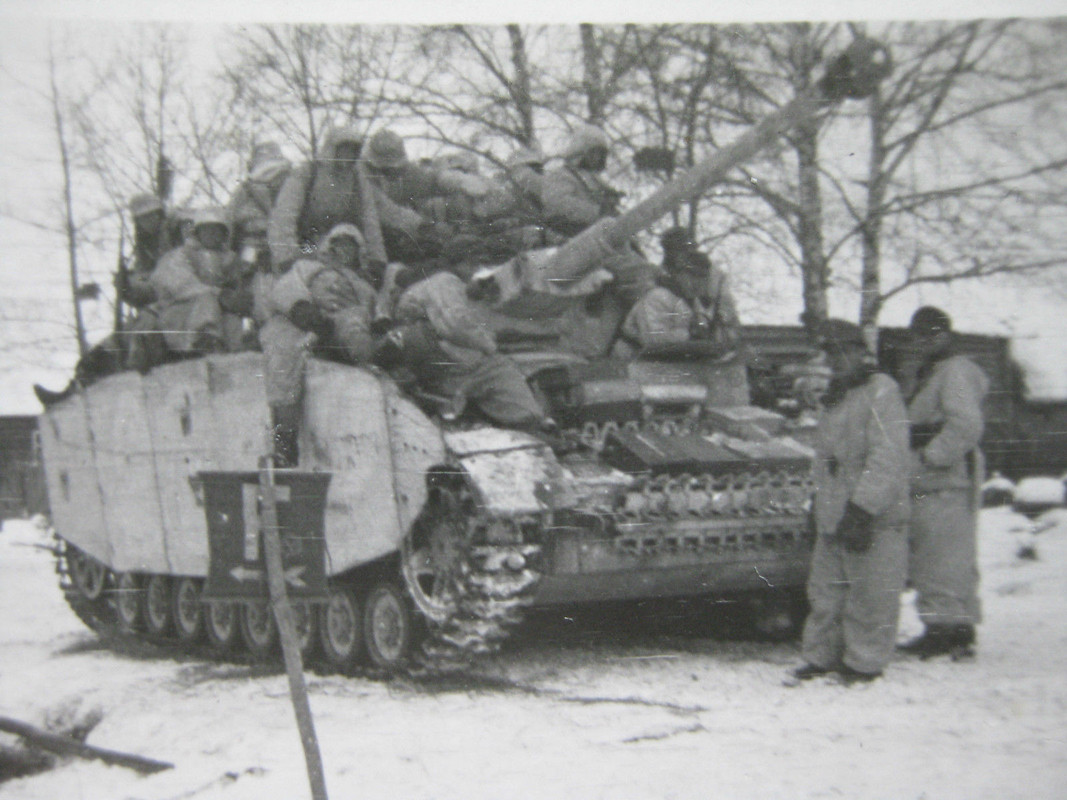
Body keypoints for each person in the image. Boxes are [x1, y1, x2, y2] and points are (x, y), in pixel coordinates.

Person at [788, 319, 911, 686]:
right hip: (834, 508)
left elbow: (887, 456)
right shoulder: (837, 397)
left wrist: (863, 508)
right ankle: (821, 656)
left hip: (870, 513)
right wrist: (817, 502)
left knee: (871, 590)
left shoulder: (881, 392)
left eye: (843, 351)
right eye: (830, 352)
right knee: (826, 591)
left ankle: (864, 662)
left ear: (861, 352)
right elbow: (824, 459)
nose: (835, 359)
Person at [898, 306, 989, 659]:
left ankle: (945, 629)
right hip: (934, 475)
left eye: (930, 335)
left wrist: (931, 457)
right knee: (944, 553)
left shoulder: (954, 372)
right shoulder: (934, 372)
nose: (922, 342)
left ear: (945, 335)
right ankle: (955, 627)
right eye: (918, 336)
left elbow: (965, 424)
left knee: (940, 554)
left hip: (943, 474)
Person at [260, 223, 379, 466]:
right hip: (305, 318)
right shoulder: (308, 267)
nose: (342, 252)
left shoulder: (364, 286)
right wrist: (301, 309)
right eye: (338, 246)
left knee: (356, 330)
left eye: (349, 247)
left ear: (358, 253)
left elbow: (375, 312)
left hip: (342, 319)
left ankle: (366, 361)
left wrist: (379, 324)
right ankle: (284, 440)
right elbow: (285, 288)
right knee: (283, 352)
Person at [376, 268, 551, 431]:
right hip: (436, 353)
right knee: (501, 370)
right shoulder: (444, 281)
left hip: (436, 361)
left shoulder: (458, 294)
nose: (487, 286)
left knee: (492, 371)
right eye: (483, 280)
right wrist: (490, 347)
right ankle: (533, 423)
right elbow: (454, 324)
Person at [616, 226, 742, 357]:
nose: (696, 284)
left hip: (668, 357)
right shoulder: (657, 294)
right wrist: (690, 335)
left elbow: (720, 315)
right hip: (632, 358)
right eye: (673, 248)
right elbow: (653, 340)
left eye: (699, 279)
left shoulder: (701, 290)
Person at [144, 208, 250, 360]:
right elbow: (181, 284)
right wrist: (219, 294)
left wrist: (237, 294)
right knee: (207, 301)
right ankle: (204, 341)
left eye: (217, 231)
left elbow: (240, 281)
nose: (212, 235)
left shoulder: (229, 258)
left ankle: (231, 355)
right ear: (197, 233)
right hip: (184, 309)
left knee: (232, 320)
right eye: (207, 230)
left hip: (219, 310)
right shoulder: (181, 255)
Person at [227, 142, 292, 328]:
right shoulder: (243, 193)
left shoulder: (295, 188)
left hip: (284, 251)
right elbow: (230, 230)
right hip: (253, 251)